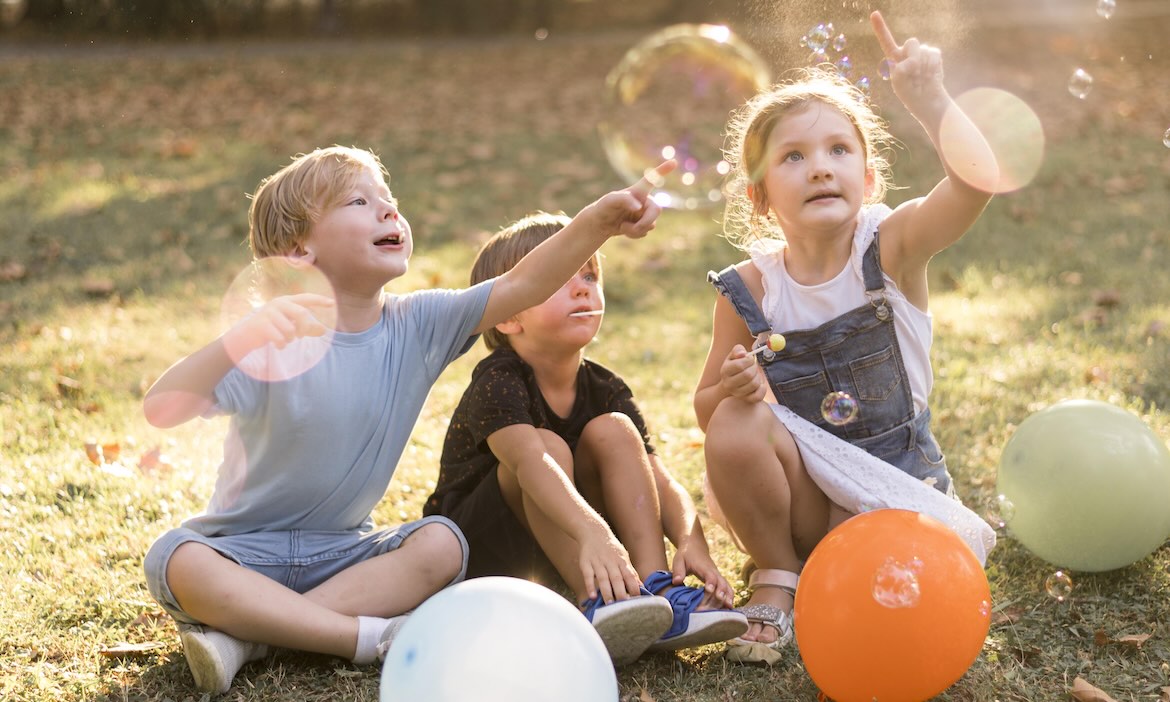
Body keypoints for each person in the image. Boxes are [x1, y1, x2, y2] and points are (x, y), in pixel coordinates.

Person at [141, 145, 674, 693]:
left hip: (344, 556)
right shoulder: (265, 341)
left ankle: (247, 639)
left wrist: (597, 223)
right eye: (358, 201)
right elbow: (161, 408)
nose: (389, 211)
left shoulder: (418, 325)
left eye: (389, 200)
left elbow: (521, 286)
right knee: (176, 557)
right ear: (299, 249)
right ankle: (360, 638)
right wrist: (239, 339)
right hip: (242, 553)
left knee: (443, 543)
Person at [693, 12, 998, 664]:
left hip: (895, 492)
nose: (819, 168)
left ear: (868, 177)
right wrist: (734, 388)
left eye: (838, 150)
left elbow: (974, 184)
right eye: (793, 157)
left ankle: (831, 575)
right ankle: (778, 572)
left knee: (891, 599)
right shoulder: (750, 289)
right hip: (805, 499)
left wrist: (930, 99)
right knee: (736, 423)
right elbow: (707, 413)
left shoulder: (890, 249)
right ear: (761, 197)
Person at [424, 212, 748, 665]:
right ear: (508, 315)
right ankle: (599, 602)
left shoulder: (604, 386)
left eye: (590, 275)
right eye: (561, 277)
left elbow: (658, 476)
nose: (582, 287)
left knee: (614, 429)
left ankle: (654, 591)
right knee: (547, 448)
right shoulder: (497, 380)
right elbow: (529, 465)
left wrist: (692, 540)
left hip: (579, 540)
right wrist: (594, 531)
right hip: (484, 546)